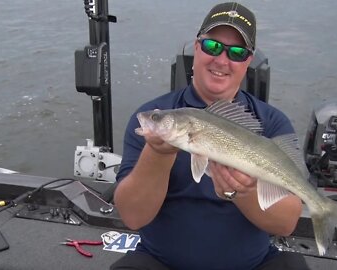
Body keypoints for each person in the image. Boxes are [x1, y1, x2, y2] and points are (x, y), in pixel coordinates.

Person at [111, 2, 309, 270]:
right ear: (196, 47)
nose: (222, 60)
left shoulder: (271, 123)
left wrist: (241, 191)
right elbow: (132, 217)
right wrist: (158, 153)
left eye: (237, 52)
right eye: (212, 46)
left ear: (248, 61)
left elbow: (285, 224)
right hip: (161, 262)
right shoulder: (150, 115)